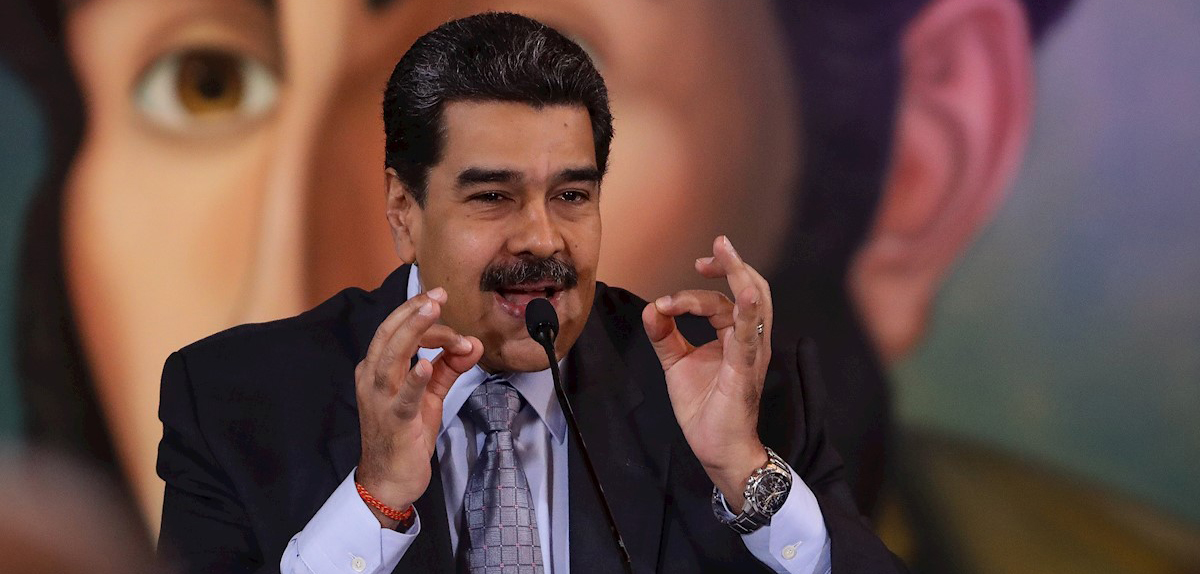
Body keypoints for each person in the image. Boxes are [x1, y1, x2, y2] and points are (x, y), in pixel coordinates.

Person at [157, 13, 904, 573]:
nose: (543, 239)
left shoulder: (739, 396)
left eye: (572, 196)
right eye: (493, 197)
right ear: (404, 211)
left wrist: (746, 475)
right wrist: (374, 500)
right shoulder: (234, 400)